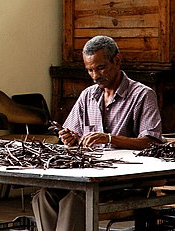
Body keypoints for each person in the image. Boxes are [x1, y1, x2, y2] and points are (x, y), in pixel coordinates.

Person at [32, 35, 163, 231]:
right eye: (90, 70)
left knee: (75, 199)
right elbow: (72, 134)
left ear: (117, 60)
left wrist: (109, 138)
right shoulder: (88, 96)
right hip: (88, 174)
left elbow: (152, 142)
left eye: (100, 68)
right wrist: (70, 138)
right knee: (44, 195)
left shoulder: (142, 95)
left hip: (124, 180)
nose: (95, 76)